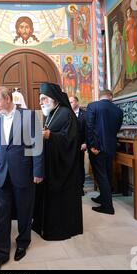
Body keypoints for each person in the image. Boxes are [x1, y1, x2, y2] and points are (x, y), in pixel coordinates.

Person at [0, 86, 44, 270]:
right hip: (2, 173)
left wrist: (38, 171)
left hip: (24, 172)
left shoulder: (28, 116)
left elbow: (37, 144)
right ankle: (1, 253)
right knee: (2, 214)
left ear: (7, 99)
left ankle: (22, 243)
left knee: (24, 211)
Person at [32, 83, 83, 241]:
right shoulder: (52, 113)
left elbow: (71, 141)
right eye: (40, 100)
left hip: (63, 169)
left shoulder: (66, 113)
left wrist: (50, 136)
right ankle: (43, 224)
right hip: (50, 164)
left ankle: (60, 229)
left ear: (54, 99)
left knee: (59, 201)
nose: (41, 103)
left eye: (44, 99)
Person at [86, 90, 123, 215]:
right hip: (111, 147)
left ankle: (107, 207)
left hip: (97, 148)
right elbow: (116, 129)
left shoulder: (93, 106)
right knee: (107, 175)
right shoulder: (118, 110)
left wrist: (91, 146)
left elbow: (89, 127)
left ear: (99, 96)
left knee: (101, 176)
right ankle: (103, 197)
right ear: (111, 97)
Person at [69, 96, 87, 196]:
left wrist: (86, 143)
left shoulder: (84, 114)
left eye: (71, 102)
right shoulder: (67, 114)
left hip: (80, 146)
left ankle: (80, 188)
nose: (70, 104)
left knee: (80, 167)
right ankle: (72, 187)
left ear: (77, 102)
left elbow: (88, 130)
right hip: (69, 146)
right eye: (69, 102)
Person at [123, 7, 137, 81]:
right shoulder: (125, 23)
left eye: (129, 12)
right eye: (127, 12)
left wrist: (132, 29)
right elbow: (124, 34)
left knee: (134, 56)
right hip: (128, 42)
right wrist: (126, 31)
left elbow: (136, 29)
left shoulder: (133, 20)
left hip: (134, 42)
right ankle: (130, 76)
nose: (128, 13)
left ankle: (135, 74)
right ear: (126, 14)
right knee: (129, 58)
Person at [111, 21, 124, 93]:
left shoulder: (120, 35)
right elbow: (113, 49)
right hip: (116, 57)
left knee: (121, 68)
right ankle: (116, 87)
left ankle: (120, 85)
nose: (117, 27)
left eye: (118, 26)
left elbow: (122, 46)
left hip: (119, 55)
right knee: (116, 70)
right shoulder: (113, 37)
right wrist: (117, 41)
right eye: (115, 26)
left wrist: (121, 40)